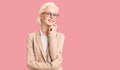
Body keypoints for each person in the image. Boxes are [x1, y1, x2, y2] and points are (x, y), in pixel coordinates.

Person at [26, 2, 65, 70]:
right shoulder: (31, 37)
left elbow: (55, 58)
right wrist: (52, 66)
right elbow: (30, 63)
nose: (52, 17)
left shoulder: (60, 36)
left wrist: (52, 34)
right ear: (41, 16)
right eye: (48, 14)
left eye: (55, 14)